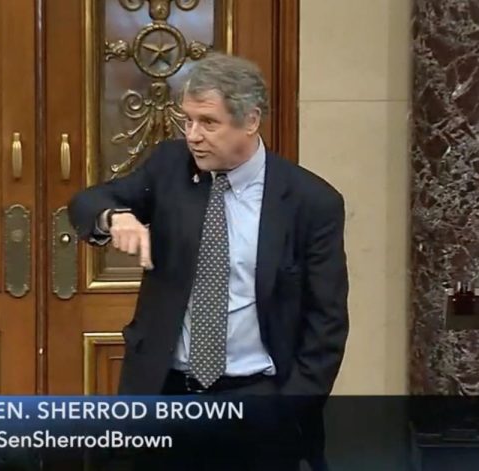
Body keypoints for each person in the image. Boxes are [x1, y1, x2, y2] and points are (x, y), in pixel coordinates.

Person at [68, 52, 348, 397]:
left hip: (258, 397)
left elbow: (327, 322)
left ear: (250, 121)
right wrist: (115, 217)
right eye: (188, 120)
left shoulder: (311, 202)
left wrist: (292, 408)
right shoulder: (170, 167)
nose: (193, 136)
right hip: (165, 388)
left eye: (208, 122)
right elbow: (88, 202)